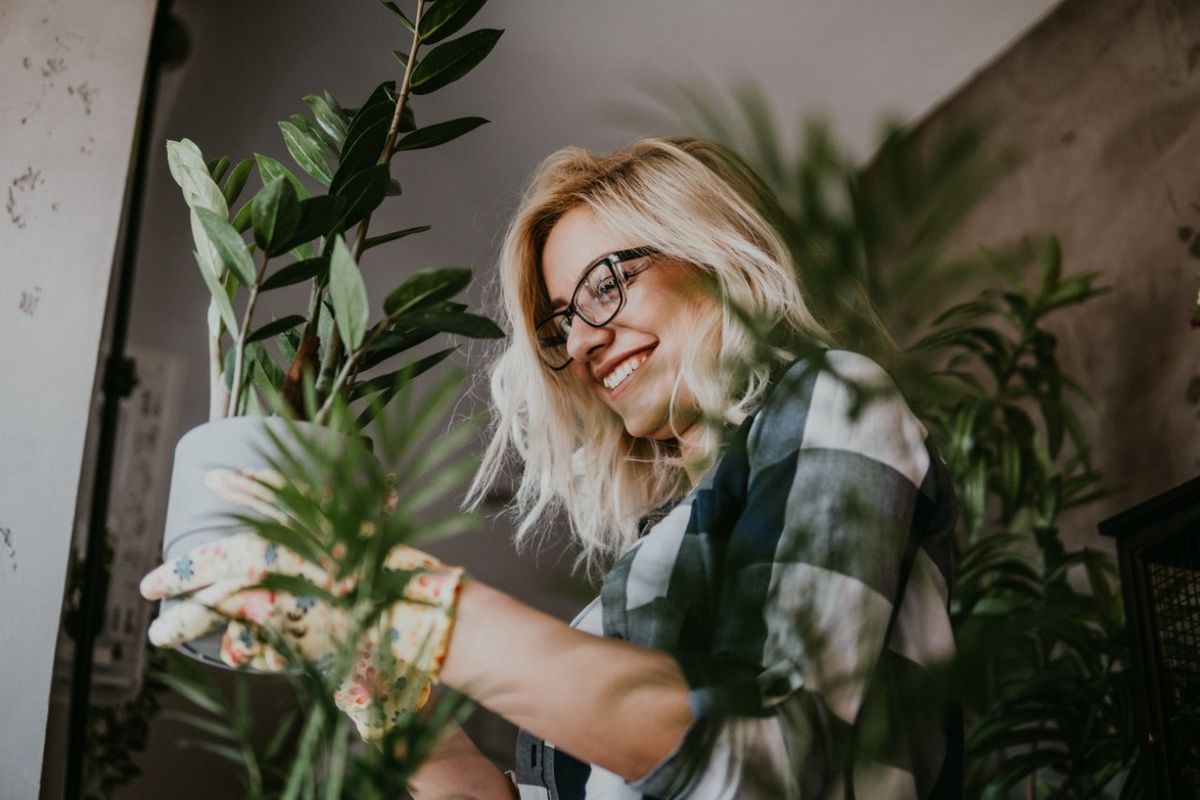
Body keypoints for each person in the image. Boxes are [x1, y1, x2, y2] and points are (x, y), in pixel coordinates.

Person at [142, 137, 961, 799]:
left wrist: (392, 599)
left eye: (607, 284)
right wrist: (366, 668)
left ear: (718, 253)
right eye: (560, 322)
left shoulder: (833, 396)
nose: (581, 341)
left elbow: (769, 764)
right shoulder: (658, 552)